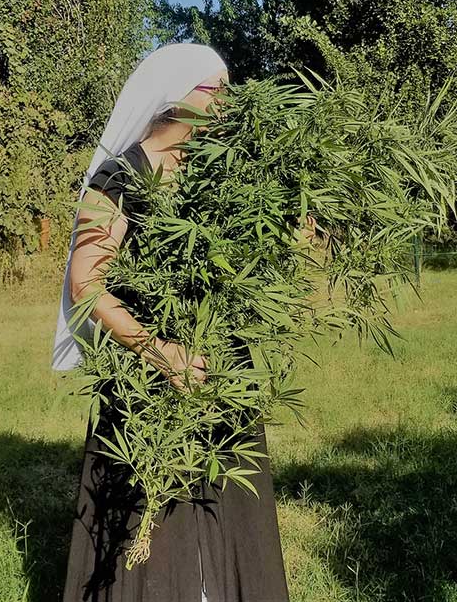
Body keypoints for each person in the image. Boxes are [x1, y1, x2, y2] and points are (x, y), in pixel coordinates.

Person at [53, 43, 291, 602]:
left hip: (216, 367)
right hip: (146, 377)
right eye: (218, 91)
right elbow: (86, 284)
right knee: (147, 524)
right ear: (177, 98)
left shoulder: (218, 173)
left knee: (229, 510)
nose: (228, 104)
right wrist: (156, 349)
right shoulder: (115, 182)